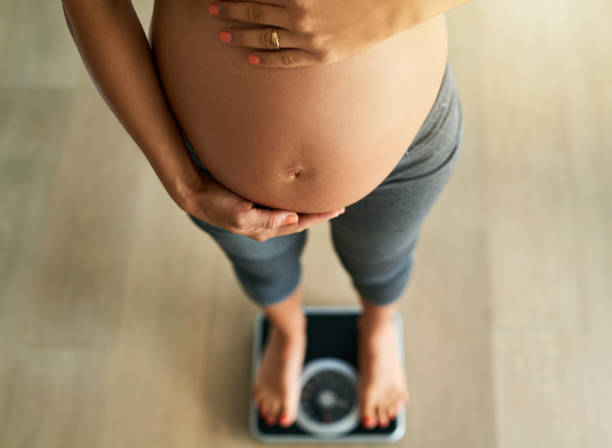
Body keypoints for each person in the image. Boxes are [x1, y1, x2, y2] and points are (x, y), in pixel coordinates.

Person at [62, 0, 467, 431]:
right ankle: (287, 330)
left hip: (410, 133)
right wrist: (186, 186)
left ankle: (379, 327)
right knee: (259, 262)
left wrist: (385, 13)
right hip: (208, 160)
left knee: (383, 253)